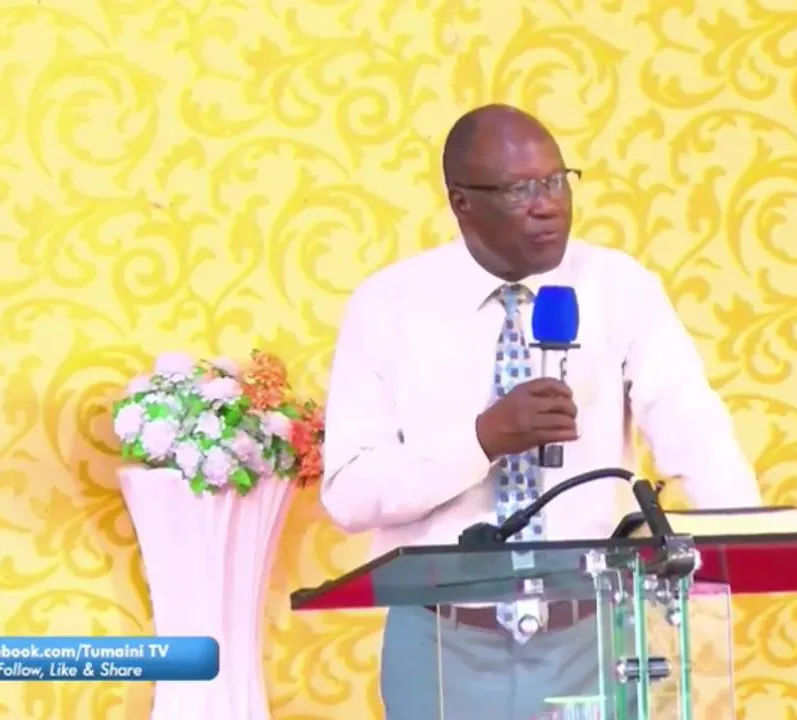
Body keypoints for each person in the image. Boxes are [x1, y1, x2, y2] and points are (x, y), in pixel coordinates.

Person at [319, 104, 764, 720]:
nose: (547, 205)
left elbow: (691, 422)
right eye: (519, 190)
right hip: (443, 643)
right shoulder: (388, 305)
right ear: (461, 202)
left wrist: (753, 535)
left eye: (556, 181)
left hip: (594, 637)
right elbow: (349, 495)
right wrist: (482, 440)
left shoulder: (618, 285)